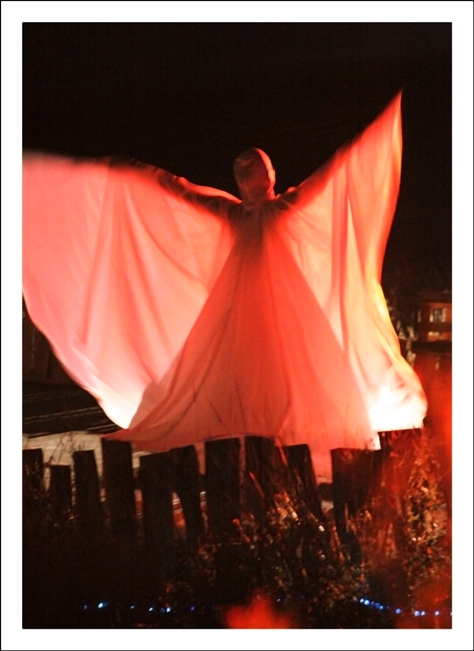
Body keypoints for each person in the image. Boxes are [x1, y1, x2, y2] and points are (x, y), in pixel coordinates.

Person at [22, 92, 426, 481]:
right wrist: (365, 146)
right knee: (282, 370)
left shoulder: (237, 213)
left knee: (248, 371)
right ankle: (270, 441)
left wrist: (130, 173)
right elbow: (330, 181)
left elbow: (178, 190)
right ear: (268, 177)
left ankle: (258, 439)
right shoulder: (278, 210)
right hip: (280, 312)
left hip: (239, 311)